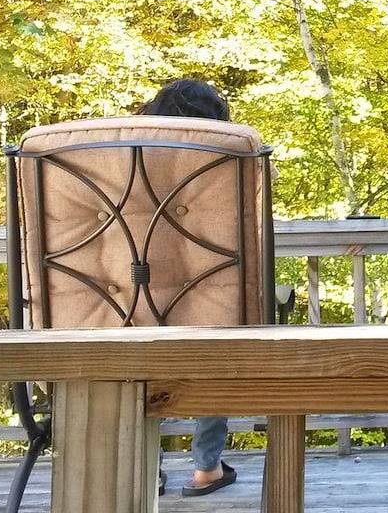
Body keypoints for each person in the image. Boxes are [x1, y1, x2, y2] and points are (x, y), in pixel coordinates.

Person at [137, 79, 237, 497]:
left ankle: (144, 468)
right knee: (226, 335)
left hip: (128, 296)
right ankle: (206, 468)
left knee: (137, 365)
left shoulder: (123, 159)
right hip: (208, 292)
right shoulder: (226, 162)